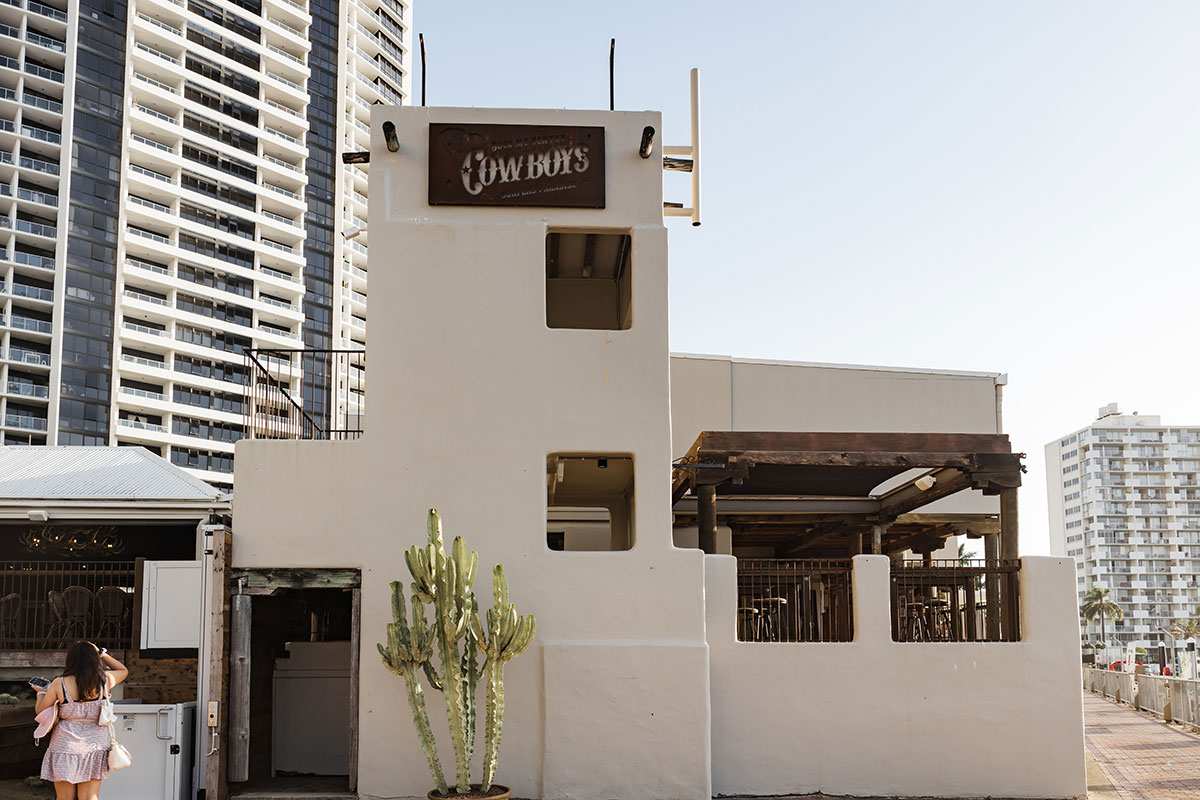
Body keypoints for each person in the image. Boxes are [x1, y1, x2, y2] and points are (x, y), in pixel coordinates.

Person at [34, 641, 129, 800]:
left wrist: (40, 692)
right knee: (90, 796)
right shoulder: (104, 680)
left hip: (65, 744)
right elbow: (123, 670)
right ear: (94, 659)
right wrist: (102, 653)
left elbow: (41, 711)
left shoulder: (60, 683)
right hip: (95, 745)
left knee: (64, 797)